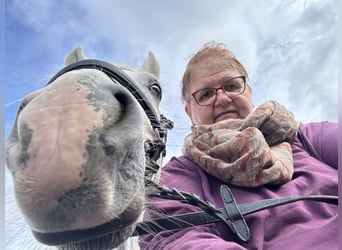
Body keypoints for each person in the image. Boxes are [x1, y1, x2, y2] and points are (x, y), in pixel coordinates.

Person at [139, 42, 338, 250]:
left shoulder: (306, 137)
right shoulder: (180, 174)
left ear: (249, 92)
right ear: (190, 113)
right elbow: (174, 238)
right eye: (206, 94)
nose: (223, 99)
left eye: (232, 86)